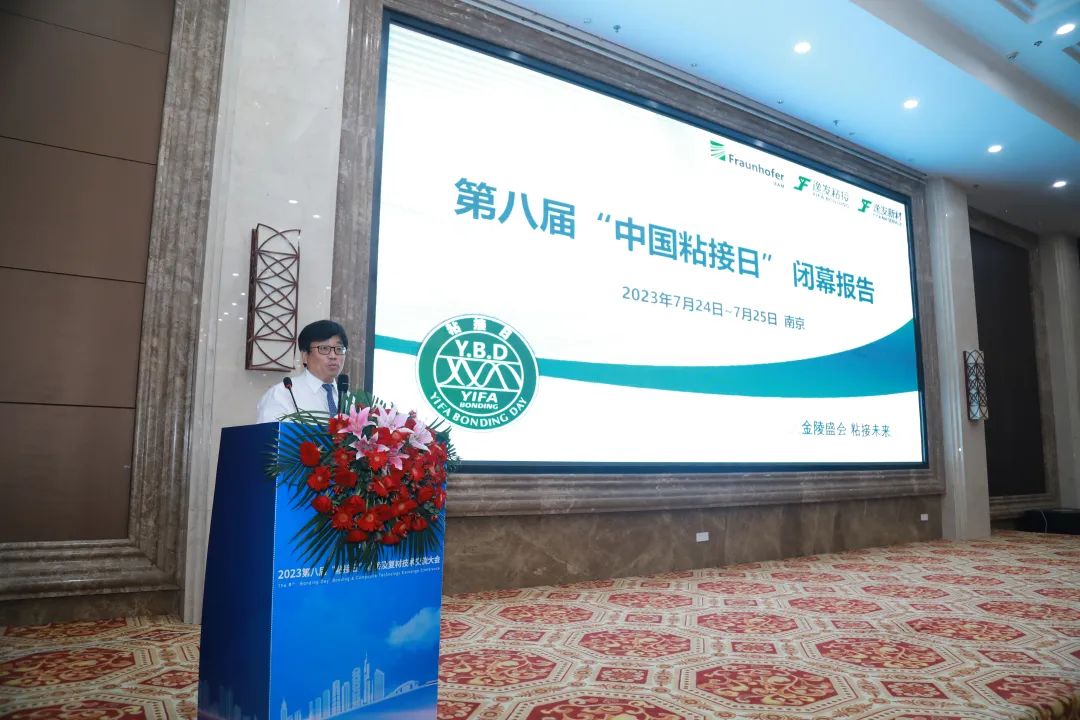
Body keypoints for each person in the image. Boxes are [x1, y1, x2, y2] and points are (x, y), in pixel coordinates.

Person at [256, 319, 349, 423]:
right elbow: (270, 433)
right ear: (305, 356)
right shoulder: (282, 395)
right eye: (324, 348)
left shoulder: (351, 401)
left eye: (339, 349)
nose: (333, 356)